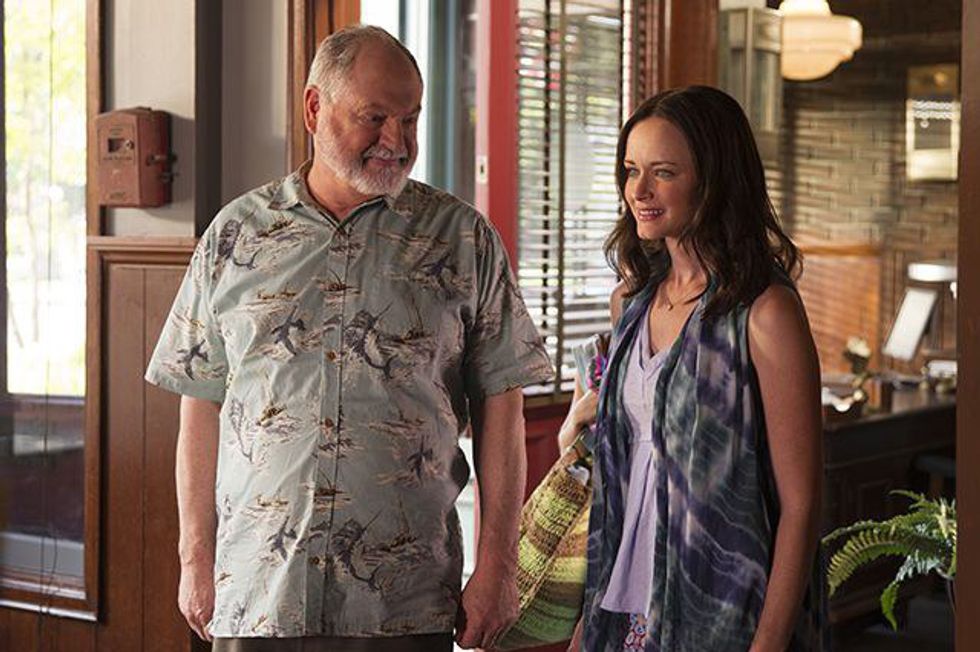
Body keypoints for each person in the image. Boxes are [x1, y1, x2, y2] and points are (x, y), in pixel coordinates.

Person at [145, 25, 553, 652]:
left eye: (410, 119)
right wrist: (195, 557)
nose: (398, 140)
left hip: (404, 601)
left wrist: (499, 567)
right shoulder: (234, 236)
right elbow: (199, 405)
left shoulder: (464, 240)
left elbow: (503, 406)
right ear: (315, 108)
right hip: (259, 595)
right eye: (375, 117)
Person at [567, 86, 824, 651]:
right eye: (631, 170)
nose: (639, 191)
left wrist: (767, 645)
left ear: (714, 180)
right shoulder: (631, 303)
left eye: (663, 172)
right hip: (624, 611)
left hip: (722, 616)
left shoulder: (765, 312)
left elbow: (802, 504)